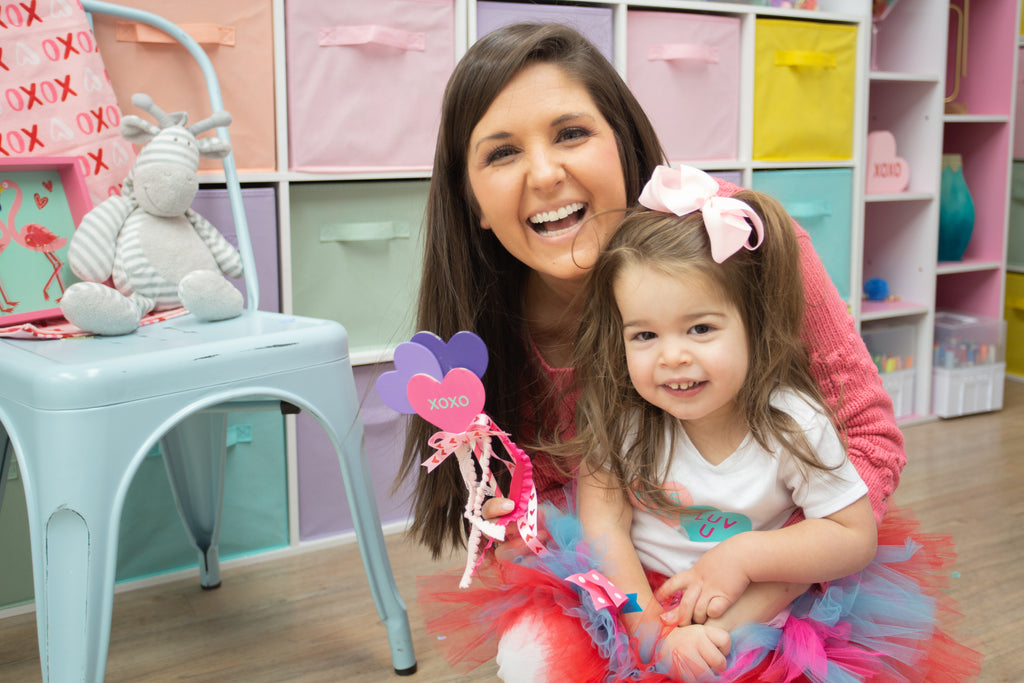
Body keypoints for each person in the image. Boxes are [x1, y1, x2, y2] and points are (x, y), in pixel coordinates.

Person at [402, 21, 978, 681]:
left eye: (571, 133)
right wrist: (528, 536)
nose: (544, 173)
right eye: (501, 152)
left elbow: (868, 439)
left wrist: (757, 587)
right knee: (533, 656)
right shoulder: (488, 330)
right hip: (626, 579)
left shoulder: (736, 241)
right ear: (471, 198)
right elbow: (578, 514)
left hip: (781, 560)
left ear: (622, 142)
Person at [568, 165, 878, 678]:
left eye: (700, 328)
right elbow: (604, 530)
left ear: (755, 324)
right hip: (638, 601)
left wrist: (742, 557)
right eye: (644, 336)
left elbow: (853, 535)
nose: (672, 357)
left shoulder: (793, 423)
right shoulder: (623, 421)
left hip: (765, 613)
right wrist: (652, 638)